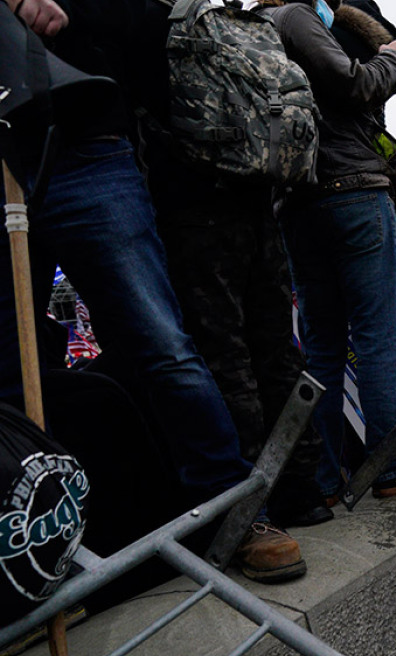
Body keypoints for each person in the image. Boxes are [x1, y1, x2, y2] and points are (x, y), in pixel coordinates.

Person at [0, 0, 306, 581]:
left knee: (164, 347)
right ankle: (34, 549)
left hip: (84, 148)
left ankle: (233, 515)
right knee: (9, 374)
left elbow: (148, 21)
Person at [261, 0, 396, 503]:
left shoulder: (257, 30)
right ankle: (393, 465)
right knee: (377, 337)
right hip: (352, 191)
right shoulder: (301, 19)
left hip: (296, 203)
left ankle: (323, 478)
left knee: (322, 349)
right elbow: (353, 85)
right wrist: (391, 58)